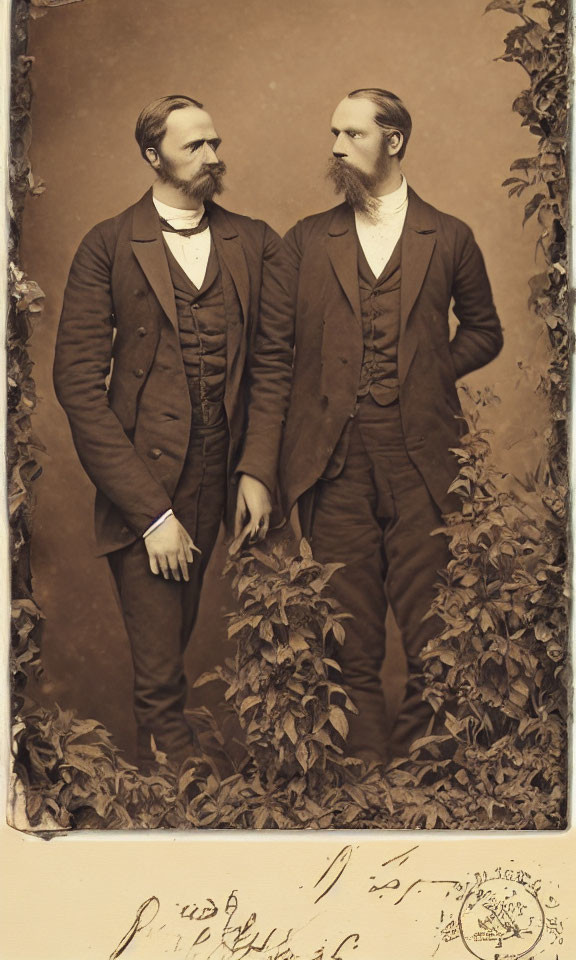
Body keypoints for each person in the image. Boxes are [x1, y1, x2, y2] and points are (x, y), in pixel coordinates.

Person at [54, 95, 292, 769]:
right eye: (195, 147)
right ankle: (174, 822)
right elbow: (76, 386)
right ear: (153, 157)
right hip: (146, 486)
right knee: (161, 677)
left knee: (281, 640)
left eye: (214, 143)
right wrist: (150, 513)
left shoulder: (255, 241)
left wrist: (258, 468)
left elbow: (274, 364)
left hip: (231, 478)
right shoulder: (107, 244)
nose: (214, 157)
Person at [278, 88, 503, 763]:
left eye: (352, 134)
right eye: (334, 134)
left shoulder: (450, 235)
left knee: (433, 628)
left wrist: (429, 371)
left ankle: (425, 777)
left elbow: (484, 332)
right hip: (335, 463)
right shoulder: (307, 240)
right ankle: (366, 780)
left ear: (394, 140)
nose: (337, 147)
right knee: (349, 636)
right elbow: (274, 349)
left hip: (422, 462)